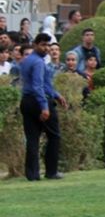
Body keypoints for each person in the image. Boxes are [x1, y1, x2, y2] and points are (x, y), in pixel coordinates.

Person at [19, 34, 66, 181]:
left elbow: (43, 84)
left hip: (26, 100)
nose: (46, 48)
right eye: (43, 45)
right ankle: (51, 171)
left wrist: (56, 95)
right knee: (54, 135)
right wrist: (44, 106)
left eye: (47, 45)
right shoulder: (39, 63)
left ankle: (32, 174)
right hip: (39, 101)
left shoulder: (26, 61)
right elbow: (38, 86)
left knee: (32, 138)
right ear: (35, 44)